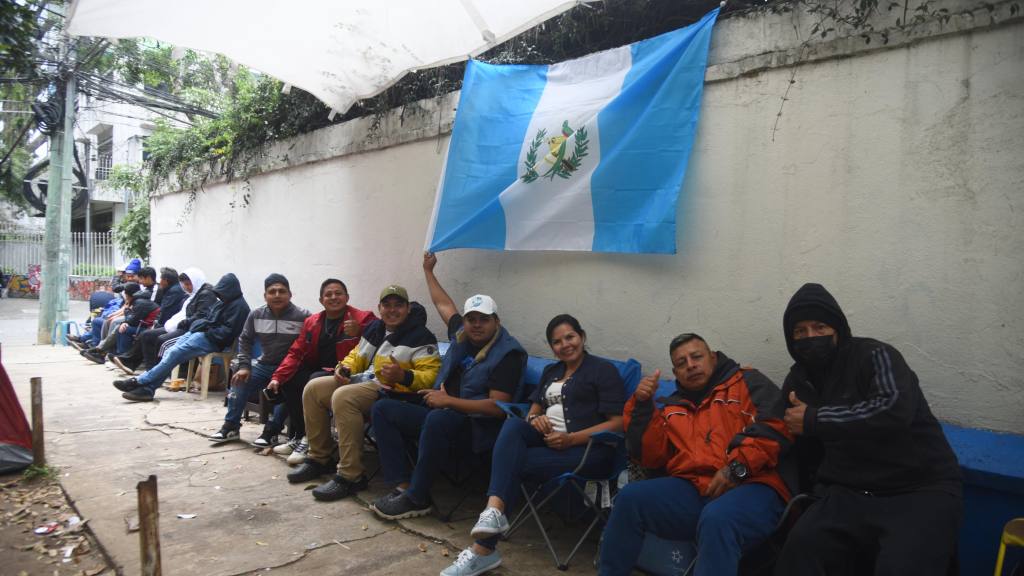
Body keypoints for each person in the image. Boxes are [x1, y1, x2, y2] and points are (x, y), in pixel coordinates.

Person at [771, 283, 962, 576]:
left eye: (819, 327)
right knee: (798, 550)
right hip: (849, 491)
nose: (810, 337)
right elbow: (777, 429)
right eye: (800, 331)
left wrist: (815, 420)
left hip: (918, 488)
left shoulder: (875, 356)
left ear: (837, 328)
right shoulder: (799, 380)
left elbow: (893, 409)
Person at [439, 314, 624, 576]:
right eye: (557, 342)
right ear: (552, 348)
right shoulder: (553, 371)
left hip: (587, 451)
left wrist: (572, 438)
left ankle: (484, 550)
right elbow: (534, 410)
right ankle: (493, 512)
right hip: (548, 443)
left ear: (582, 337)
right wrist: (536, 420)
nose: (565, 345)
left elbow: (617, 424)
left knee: (511, 464)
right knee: (514, 425)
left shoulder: (602, 371)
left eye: (570, 337)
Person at [598, 333, 790, 576]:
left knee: (717, 518)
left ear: (712, 357)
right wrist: (642, 406)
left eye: (696, 357)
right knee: (630, 498)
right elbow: (649, 457)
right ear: (676, 373)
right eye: (681, 363)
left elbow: (776, 429)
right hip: (695, 489)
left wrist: (736, 468)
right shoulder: (671, 406)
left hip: (753, 484)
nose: (690, 365)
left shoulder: (748, 381)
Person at [370, 252, 527, 521]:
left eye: (483, 319)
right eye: (471, 319)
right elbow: (443, 304)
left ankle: (418, 498)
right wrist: (428, 271)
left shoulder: (508, 355)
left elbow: (497, 408)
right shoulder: (462, 334)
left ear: (496, 321)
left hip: (477, 428)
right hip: (440, 412)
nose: (476, 325)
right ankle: (402, 486)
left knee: (439, 418)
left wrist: (448, 402)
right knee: (383, 408)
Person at [286, 284, 441, 502]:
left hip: (393, 390)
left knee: (344, 397)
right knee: (313, 388)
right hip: (363, 381)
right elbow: (356, 355)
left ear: (407, 309)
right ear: (379, 308)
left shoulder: (421, 336)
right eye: (387, 306)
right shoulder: (375, 328)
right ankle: (319, 458)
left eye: (398, 305)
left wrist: (404, 376)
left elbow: (432, 376)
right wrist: (343, 368)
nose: (392, 310)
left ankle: (351, 475)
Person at [266, 278, 376, 459]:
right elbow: (295, 352)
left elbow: (381, 336)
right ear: (321, 300)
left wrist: (361, 331)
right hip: (321, 370)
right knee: (291, 379)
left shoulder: (363, 318)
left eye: (338, 293)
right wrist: (278, 377)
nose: (333, 297)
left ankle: (312, 440)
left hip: (348, 373)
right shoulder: (312, 321)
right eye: (328, 294)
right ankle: (300, 436)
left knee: (314, 380)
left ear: (347, 297)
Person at [114, 273, 250, 402]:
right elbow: (207, 319)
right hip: (202, 333)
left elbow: (226, 333)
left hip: (212, 340)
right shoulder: (223, 302)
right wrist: (202, 326)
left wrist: (206, 329)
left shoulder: (239, 307)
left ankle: (139, 381)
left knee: (174, 352)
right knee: (170, 351)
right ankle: (147, 389)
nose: (221, 295)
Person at [208, 273, 310, 446]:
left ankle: (272, 431)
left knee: (290, 388)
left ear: (290, 294)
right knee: (239, 380)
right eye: (272, 291)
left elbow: (309, 345)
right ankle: (231, 427)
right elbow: (245, 340)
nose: (277, 295)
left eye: (281, 291)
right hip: (264, 364)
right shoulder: (256, 315)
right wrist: (244, 366)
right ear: (265, 296)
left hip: (290, 369)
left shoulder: (303, 316)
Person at [112, 268, 215, 375]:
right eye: (185, 284)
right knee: (146, 335)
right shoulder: (193, 294)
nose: (187, 287)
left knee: (161, 340)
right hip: (180, 325)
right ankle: (144, 368)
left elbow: (200, 315)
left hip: (190, 329)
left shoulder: (205, 294)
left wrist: (181, 322)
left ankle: (158, 373)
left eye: (189, 284)